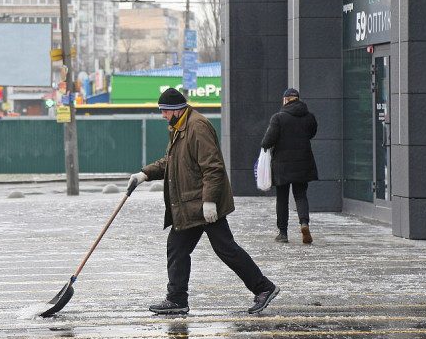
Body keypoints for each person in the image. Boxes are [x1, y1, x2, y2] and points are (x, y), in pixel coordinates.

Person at [128, 87, 280, 315]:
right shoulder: (179, 128)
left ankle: (264, 288)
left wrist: (209, 202)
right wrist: (144, 174)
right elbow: (170, 161)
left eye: (165, 111)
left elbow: (213, 167)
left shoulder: (197, 127)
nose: (162, 116)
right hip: (191, 206)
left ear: (176, 110)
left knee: (226, 249)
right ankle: (177, 299)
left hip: (204, 205)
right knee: (177, 248)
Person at [261, 88, 319, 244]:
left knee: (282, 199)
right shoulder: (309, 117)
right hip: (303, 162)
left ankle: (283, 233)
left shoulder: (278, 118)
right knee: (301, 195)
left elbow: (267, 142)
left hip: (282, 165)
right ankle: (304, 223)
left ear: (285, 100)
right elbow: (312, 134)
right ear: (298, 99)